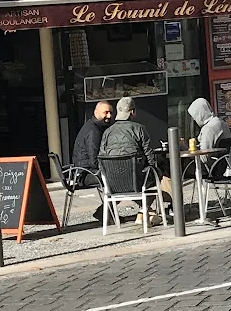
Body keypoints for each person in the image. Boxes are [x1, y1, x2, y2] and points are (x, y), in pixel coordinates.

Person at [99, 97, 167, 226]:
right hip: (136, 180)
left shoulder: (107, 132)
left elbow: (101, 156)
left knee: (136, 176)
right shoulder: (139, 129)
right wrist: (156, 168)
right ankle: (145, 211)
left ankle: (144, 213)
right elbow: (150, 157)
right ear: (133, 112)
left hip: (113, 181)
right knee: (156, 175)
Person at [71, 101, 113, 223]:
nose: (109, 116)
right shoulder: (93, 132)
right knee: (117, 179)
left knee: (115, 178)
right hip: (85, 174)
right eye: (106, 112)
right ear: (96, 113)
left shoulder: (92, 127)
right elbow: (94, 161)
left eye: (111, 112)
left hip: (83, 172)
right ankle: (104, 213)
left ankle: (106, 213)